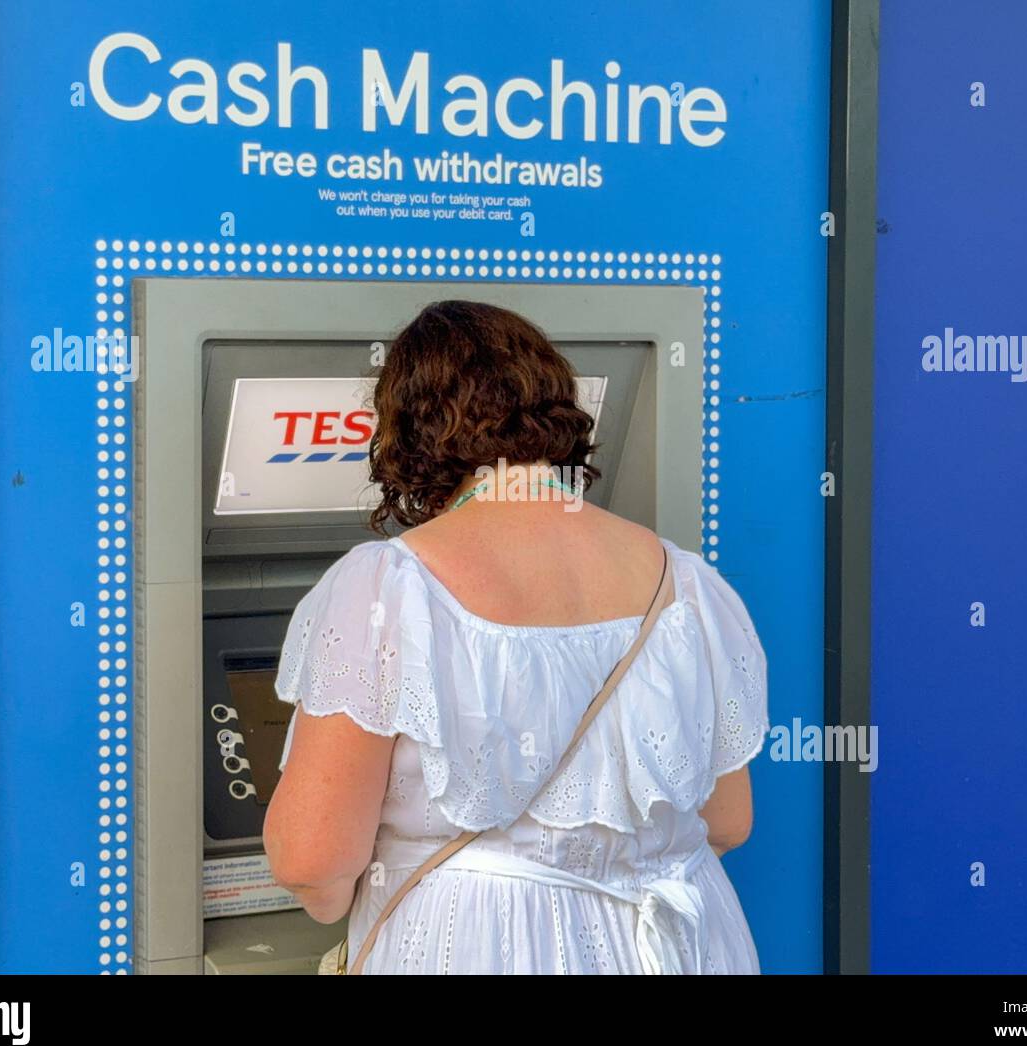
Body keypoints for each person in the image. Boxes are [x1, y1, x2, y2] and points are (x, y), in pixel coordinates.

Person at [263, 299, 768, 974]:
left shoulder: (387, 587)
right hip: (681, 946)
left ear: (408, 433)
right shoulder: (690, 585)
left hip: (476, 945)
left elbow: (312, 860)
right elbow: (728, 821)